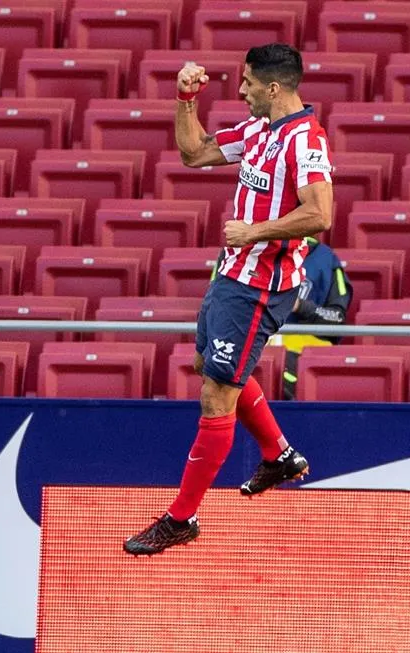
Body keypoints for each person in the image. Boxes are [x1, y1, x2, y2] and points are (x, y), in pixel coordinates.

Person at [124, 43, 334, 556]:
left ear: (274, 87)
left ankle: (183, 517)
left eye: (246, 83)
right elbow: (195, 153)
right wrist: (184, 100)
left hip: (261, 285)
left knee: (218, 392)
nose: (239, 91)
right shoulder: (260, 130)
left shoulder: (306, 140)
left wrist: (254, 232)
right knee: (209, 365)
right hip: (232, 274)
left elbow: (321, 215)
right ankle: (278, 454)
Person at [270, 237, 353, 399]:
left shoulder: (326, 259)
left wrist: (300, 306)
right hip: (256, 353)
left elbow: (337, 319)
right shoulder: (248, 253)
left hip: (302, 360)